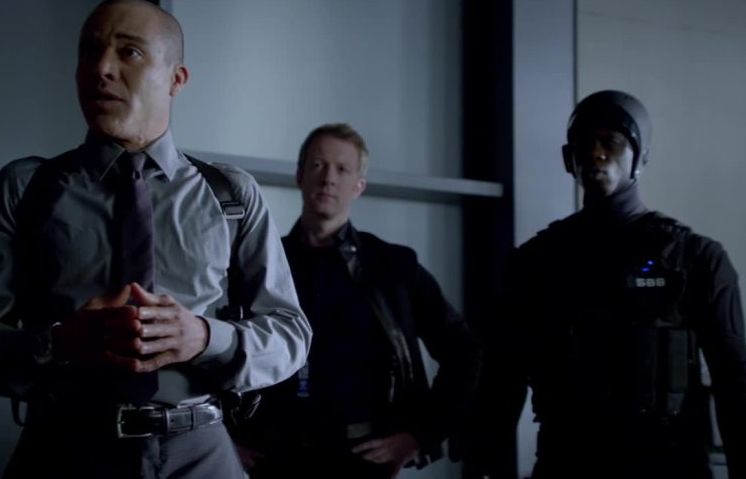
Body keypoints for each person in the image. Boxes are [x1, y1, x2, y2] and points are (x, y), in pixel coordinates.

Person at [0, 0, 311, 479]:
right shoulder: (26, 189)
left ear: (176, 79)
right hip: (62, 450)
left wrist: (205, 337)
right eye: (90, 51)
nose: (101, 69)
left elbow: (291, 335)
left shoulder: (231, 195)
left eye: (129, 52)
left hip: (200, 454)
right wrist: (56, 344)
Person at [476, 90, 746, 479]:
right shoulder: (534, 262)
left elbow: (733, 380)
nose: (596, 153)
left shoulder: (696, 258)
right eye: (585, 143)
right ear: (569, 158)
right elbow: (501, 381)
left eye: (611, 142)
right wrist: (484, 465)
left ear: (640, 156)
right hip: (567, 462)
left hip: (668, 464)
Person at [231, 123, 480, 479]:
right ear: (300, 175)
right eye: (318, 165)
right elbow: (218, 352)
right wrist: (224, 439)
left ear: (359, 186)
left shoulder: (393, 267)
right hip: (274, 460)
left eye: (342, 169)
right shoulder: (262, 264)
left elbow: (464, 352)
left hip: (364, 462)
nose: (328, 179)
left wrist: (420, 436)